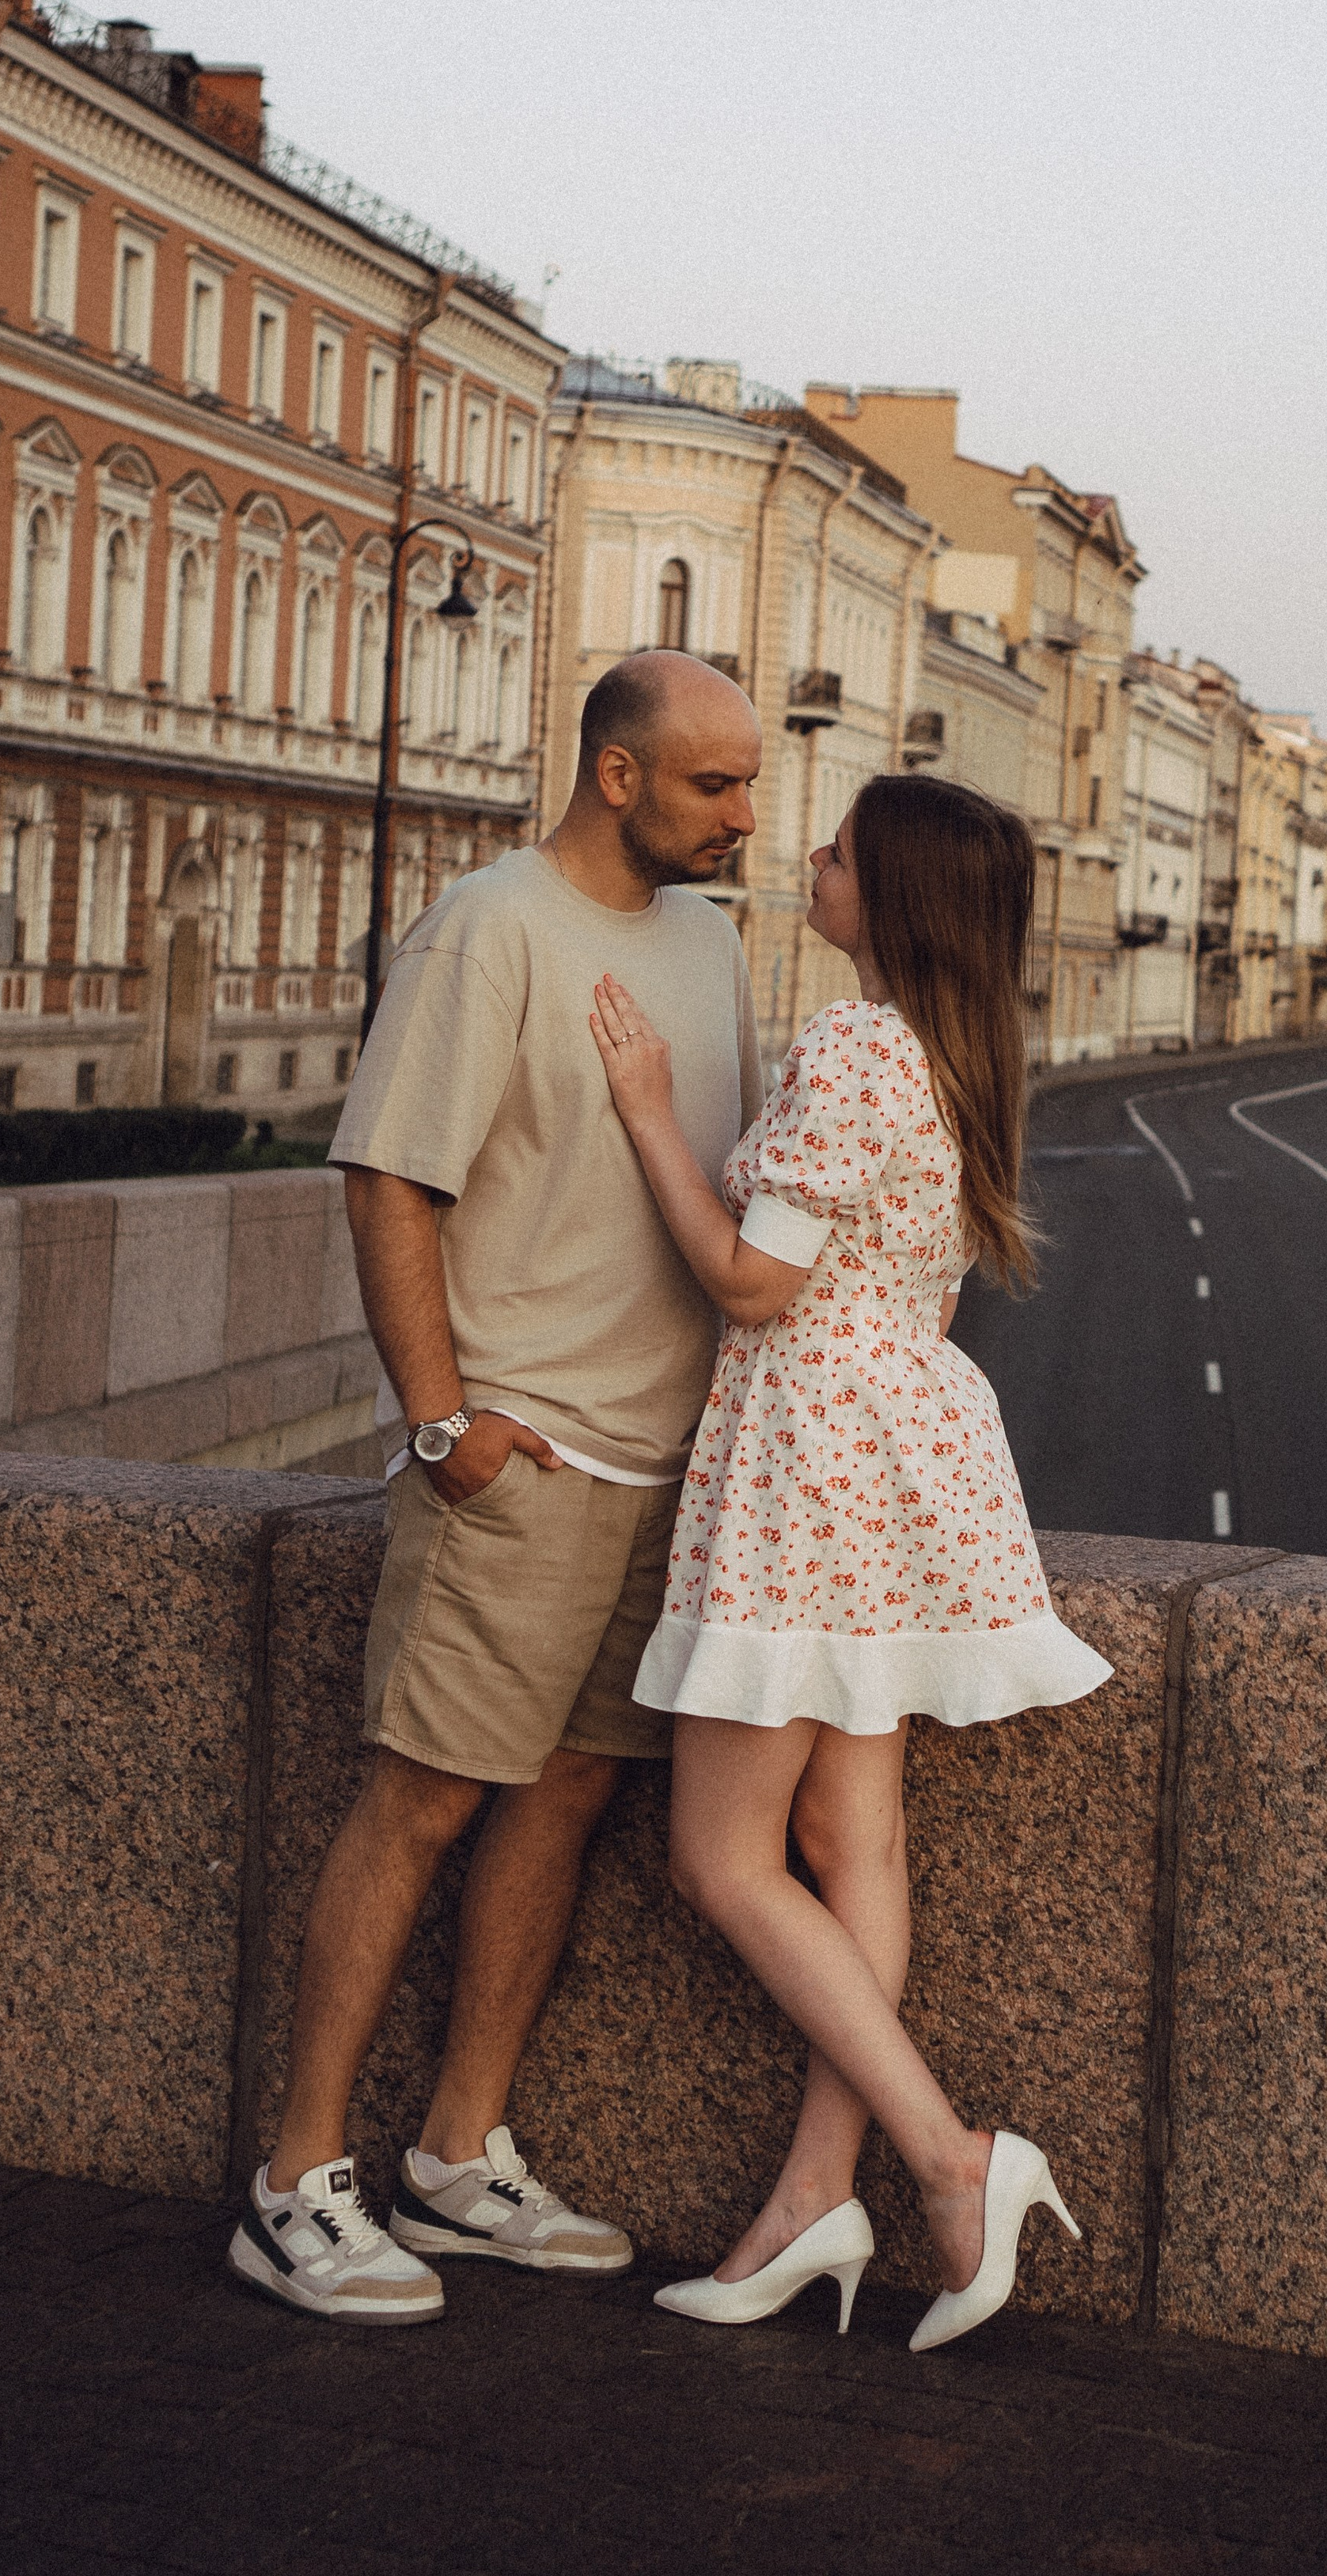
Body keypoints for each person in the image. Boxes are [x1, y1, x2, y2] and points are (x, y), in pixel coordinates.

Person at [227, 651, 765, 2325]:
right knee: (423, 1798)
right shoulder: (486, 925)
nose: (744, 816)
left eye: (747, 785)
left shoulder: (713, 938)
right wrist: (441, 1419)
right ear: (616, 773)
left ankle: (458, 2158)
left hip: (664, 1461)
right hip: (518, 1455)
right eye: (711, 786)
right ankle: (295, 2182)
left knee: (567, 1798)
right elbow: (389, 1177)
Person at [589, 771, 1111, 2354]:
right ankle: (815, 2196)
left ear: (885, 895)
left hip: (804, 1458)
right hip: (897, 1460)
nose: (802, 861)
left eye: (830, 850)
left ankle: (951, 2160)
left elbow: (752, 1284)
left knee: (723, 1860)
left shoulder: (853, 1047)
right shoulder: (959, 1061)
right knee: (850, 1840)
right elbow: (919, 1296)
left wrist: (643, 1117)